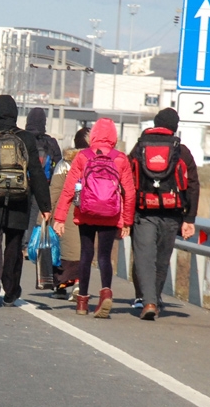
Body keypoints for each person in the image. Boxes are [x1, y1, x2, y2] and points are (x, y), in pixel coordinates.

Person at [53, 117, 135, 317]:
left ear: (94, 135)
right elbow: (130, 192)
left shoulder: (83, 156)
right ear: (114, 136)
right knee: (104, 256)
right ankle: (106, 292)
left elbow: (68, 190)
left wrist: (60, 218)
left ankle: (82, 302)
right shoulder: (120, 158)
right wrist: (127, 221)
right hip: (111, 213)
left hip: (86, 212)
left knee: (86, 255)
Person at [0, 94, 52, 308]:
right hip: (20, 200)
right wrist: (45, 206)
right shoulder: (26, 138)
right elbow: (36, 173)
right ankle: (10, 291)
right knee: (13, 246)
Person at [128, 107, 200, 321]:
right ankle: (154, 298)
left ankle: (148, 300)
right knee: (161, 259)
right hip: (172, 212)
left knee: (144, 256)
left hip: (143, 212)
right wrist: (189, 219)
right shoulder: (181, 151)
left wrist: (126, 214)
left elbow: (128, 181)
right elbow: (193, 185)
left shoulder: (139, 147)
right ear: (174, 127)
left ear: (155, 123)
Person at [46, 127, 90, 299]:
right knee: (83, 252)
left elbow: (55, 190)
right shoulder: (97, 161)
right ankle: (80, 284)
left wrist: (44, 213)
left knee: (64, 253)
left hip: (67, 213)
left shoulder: (66, 163)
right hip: (91, 212)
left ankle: (62, 286)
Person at [24, 107, 62, 246]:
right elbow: (58, 165)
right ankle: (32, 243)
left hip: (23, 182)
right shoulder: (50, 142)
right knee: (37, 212)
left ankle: (22, 242)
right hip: (43, 183)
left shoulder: (22, 137)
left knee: (23, 211)